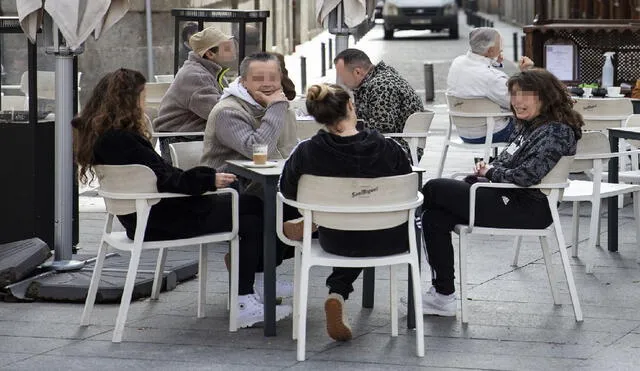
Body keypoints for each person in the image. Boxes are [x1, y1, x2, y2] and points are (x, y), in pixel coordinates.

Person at [72, 68, 292, 329]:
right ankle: (248, 294)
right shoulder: (124, 140)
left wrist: (205, 179)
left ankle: (252, 289)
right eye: (142, 96)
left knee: (250, 211)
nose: (144, 102)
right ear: (129, 100)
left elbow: (159, 176)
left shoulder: (102, 137)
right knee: (255, 209)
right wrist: (208, 179)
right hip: (160, 219)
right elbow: (166, 179)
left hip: (140, 218)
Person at [418, 68, 583, 317]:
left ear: (545, 97)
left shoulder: (556, 131)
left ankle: (389, 239)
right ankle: (443, 296)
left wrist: (490, 174)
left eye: (525, 94)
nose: (517, 101)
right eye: (514, 94)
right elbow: (506, 162)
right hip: (507, 197)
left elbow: (527, 176)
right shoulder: (530, 126)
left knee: (433, 188)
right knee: (434, 217)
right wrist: (490, 171)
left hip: (529, 208)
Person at [279, 83, 412, 342]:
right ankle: (338, 292)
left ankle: (307, 232)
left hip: (335, 238)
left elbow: (288, 191)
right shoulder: (389, 148)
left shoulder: (306, 151)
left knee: (347, 227)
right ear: (351, 106)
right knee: (380, 225)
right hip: (388, 237)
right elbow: (407, 191)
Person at [201, 52, 297, 172]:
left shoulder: (282, 106)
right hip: (234, 184)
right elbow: (258, 152)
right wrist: (275, 108)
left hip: (276, 180)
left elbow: (289, 148)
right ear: (243, 82)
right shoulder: (227, 112)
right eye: (258, 78)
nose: (267, 84)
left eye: (273, 78)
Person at [153, 26, 237, 162]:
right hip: (182, 140)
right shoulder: (196, 76)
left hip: (194, 137)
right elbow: (219, 113)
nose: (233, 53)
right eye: (227, 49)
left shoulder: (211, 71)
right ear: (210, 54)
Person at [447, 27, 535, 144]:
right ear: (490, 51)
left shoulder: (457, 62)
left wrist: (494, 62)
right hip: (491, 133)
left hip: (464, 132)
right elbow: (519, 104)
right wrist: (526, 73)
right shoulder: (492, 78)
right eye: (500, 45)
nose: (502, 48)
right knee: (536, 122)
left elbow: (479, 71)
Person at [333, 48, 423, 161]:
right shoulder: (375, 80)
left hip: (398, 149)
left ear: (357, 72)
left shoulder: (382, 86)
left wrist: (346, 126)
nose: (341, 81)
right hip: (389, 144)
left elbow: (382, 126)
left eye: (342, 76)